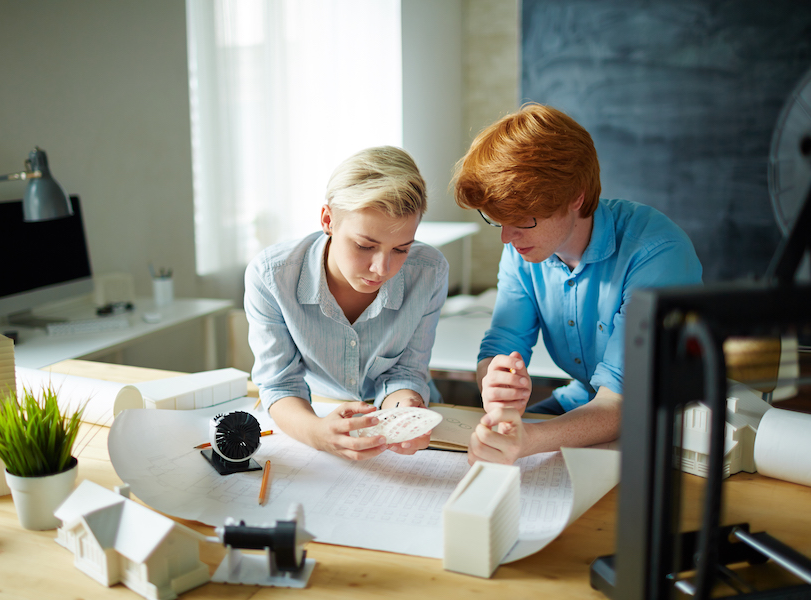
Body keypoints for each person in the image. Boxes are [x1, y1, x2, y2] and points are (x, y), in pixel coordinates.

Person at [453, 103, 703, 465]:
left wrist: (531, 439)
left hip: (670, 420)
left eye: (522, 220)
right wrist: (494, 382)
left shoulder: (656, 253)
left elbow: (621, 401)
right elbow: (501, 345)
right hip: (584, 401)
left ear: (576, 197)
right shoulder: (525, 249)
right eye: (498, 221)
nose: (507, 238)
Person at [245, 146, 449, 461]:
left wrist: (404, 413)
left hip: (409, 420)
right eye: (365, 245)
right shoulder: (271, 276)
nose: (382, 269)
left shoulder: (429, 271)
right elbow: (280, 384)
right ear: (328, 219)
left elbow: (407, 371)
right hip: (315, 412)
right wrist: (317, 433)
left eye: (401, 249)